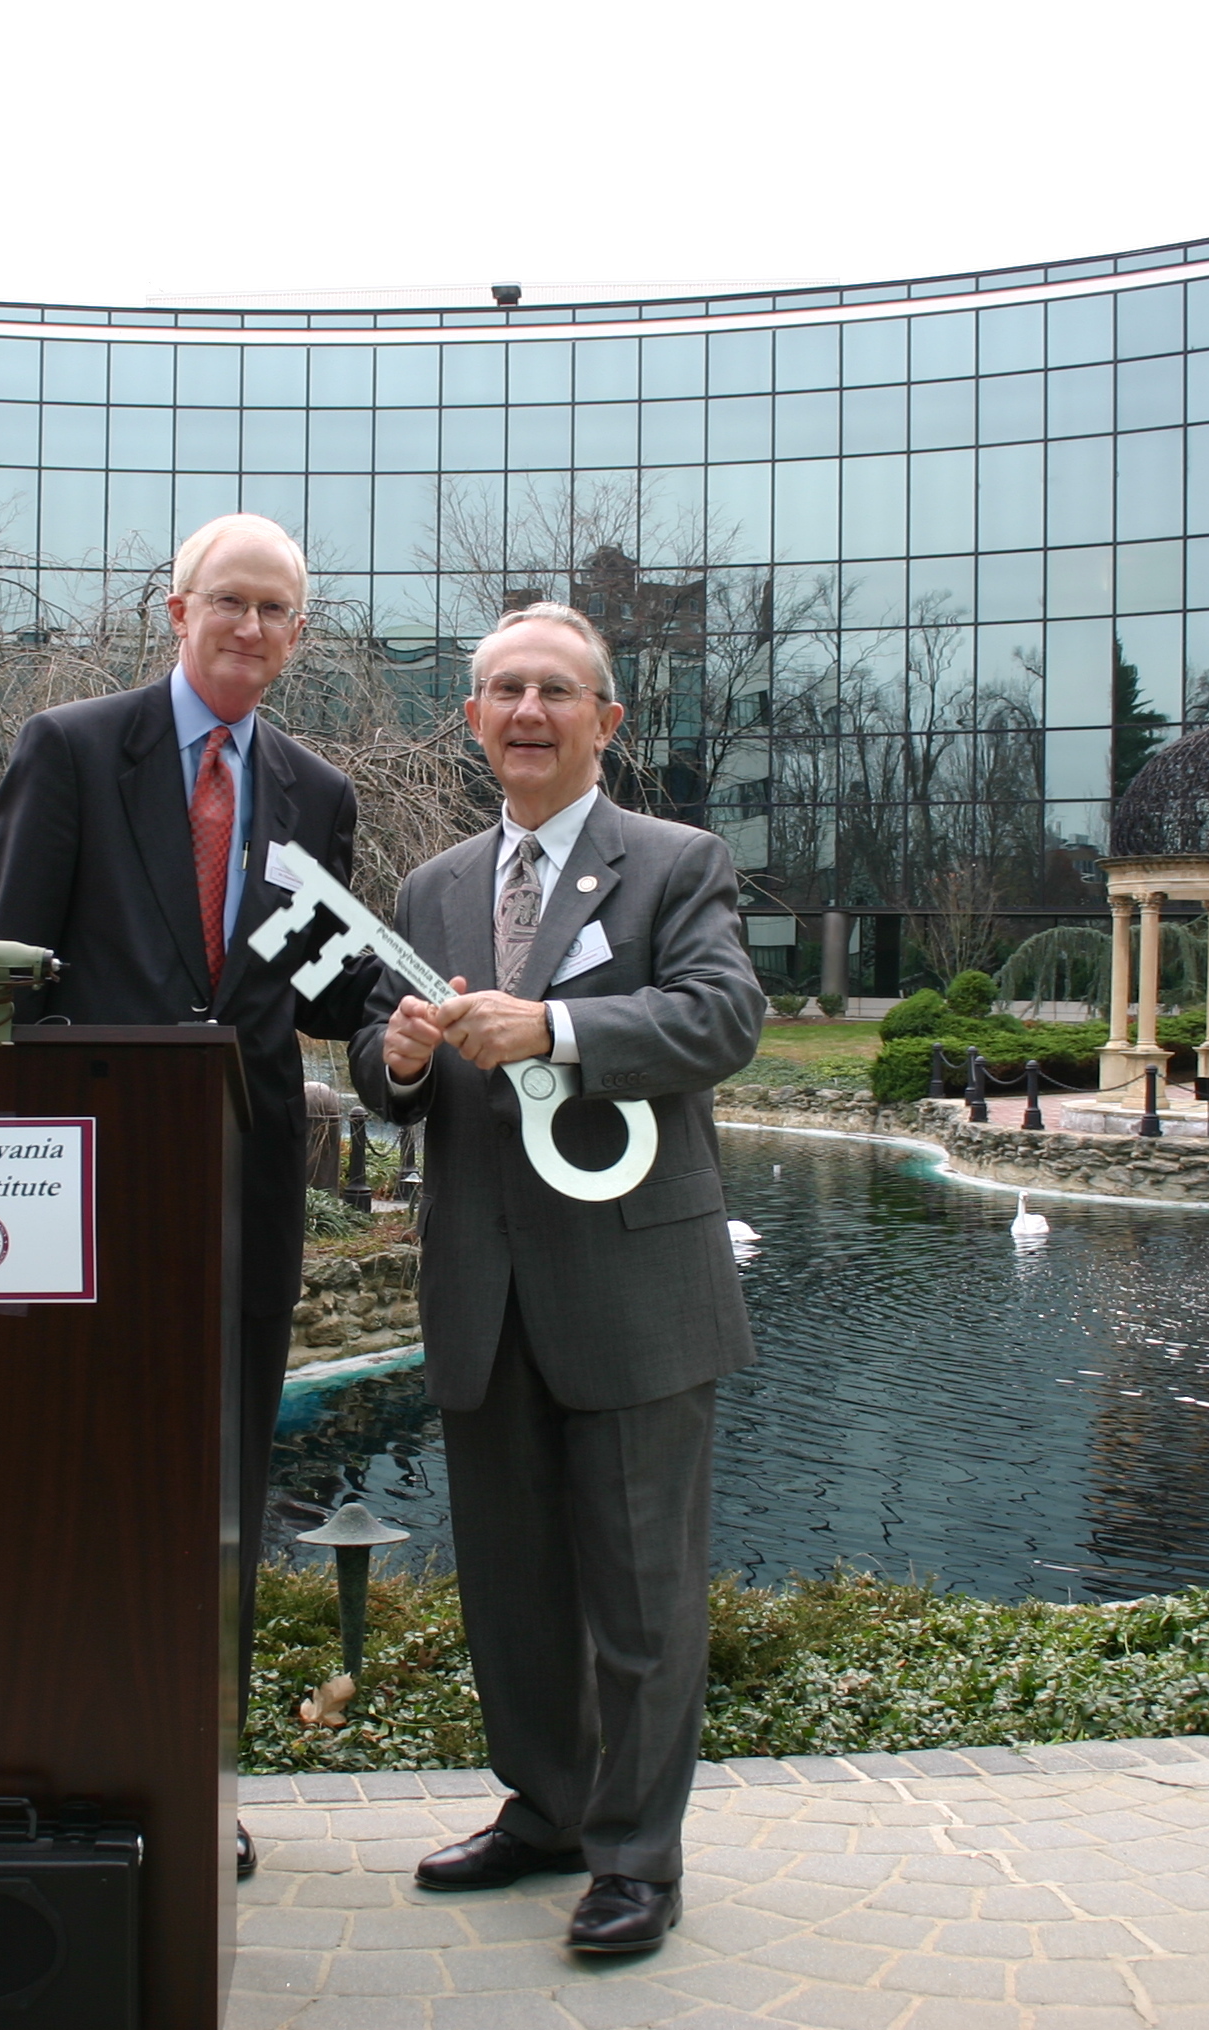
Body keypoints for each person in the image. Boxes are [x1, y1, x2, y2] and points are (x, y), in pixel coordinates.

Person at [349, 600, 763, 1954]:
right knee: (515, 1595)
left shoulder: (676, 864)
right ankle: (546, 1813)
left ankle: (638, 1859)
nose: (527, 713)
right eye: (502, 691)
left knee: (642, 1602)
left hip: (637, 1297)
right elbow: (374, 1062)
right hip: (483, 1295)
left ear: (606, 722)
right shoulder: (432, 888)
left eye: (555, 692)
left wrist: (559, 1027)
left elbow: (721, 1018)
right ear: (470, 718)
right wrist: (400, 1061)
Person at [0, 512, 370, 1883]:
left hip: (246, 1181)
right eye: (230, 603)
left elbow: (321, 989)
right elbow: (2, 972)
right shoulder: (74, 750)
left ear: (300, 634)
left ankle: (201, 1773)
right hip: (84, 1185)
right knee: (79, 1472)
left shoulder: (318, 796)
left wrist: (423, 1019)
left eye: (278, 611)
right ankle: (71, 1756)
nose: (251, 628)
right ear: (176, 607)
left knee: (225, 1478)